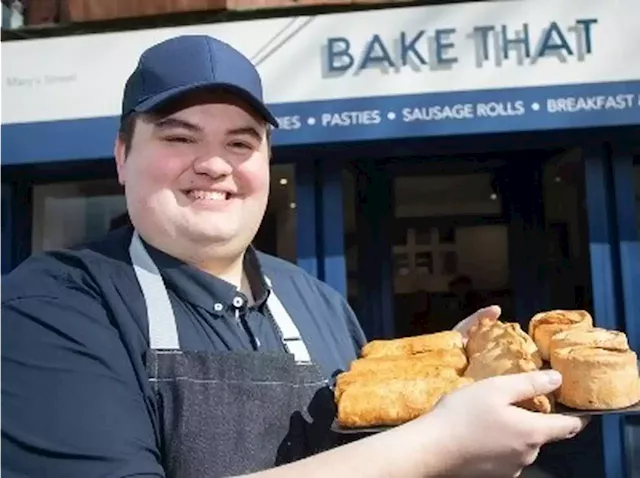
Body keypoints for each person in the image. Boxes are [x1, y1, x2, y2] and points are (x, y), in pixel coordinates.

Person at [0, 35, 587, 478]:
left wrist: (439, 390)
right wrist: (440, 442)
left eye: (241, 142)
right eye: (179, 137)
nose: (214, 163)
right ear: (122, 156)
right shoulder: (51, 306)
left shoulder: (319, 303)